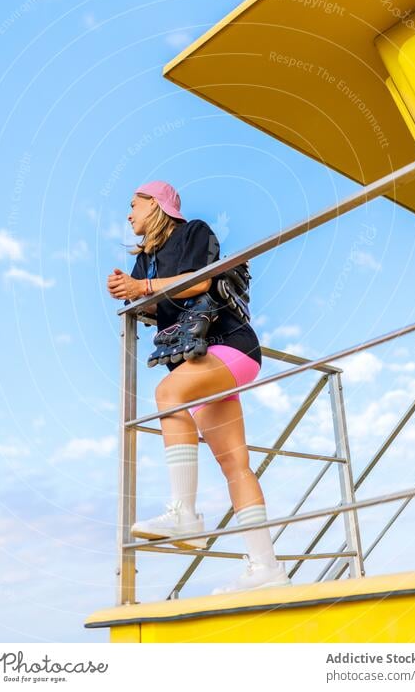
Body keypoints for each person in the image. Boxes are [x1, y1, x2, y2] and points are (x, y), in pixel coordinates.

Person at [107, 180, 290, 593]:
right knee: (235, 465)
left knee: (168, 393)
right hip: (202, 359)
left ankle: (184, 514)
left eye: (133, 205)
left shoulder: (193, 231)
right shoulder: (147, 259)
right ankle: (267, 569)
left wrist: (144, 288)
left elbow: (199, 283)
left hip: (230, 346)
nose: (128, 214)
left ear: (155, 204)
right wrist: (129, 291)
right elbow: (153, 304)